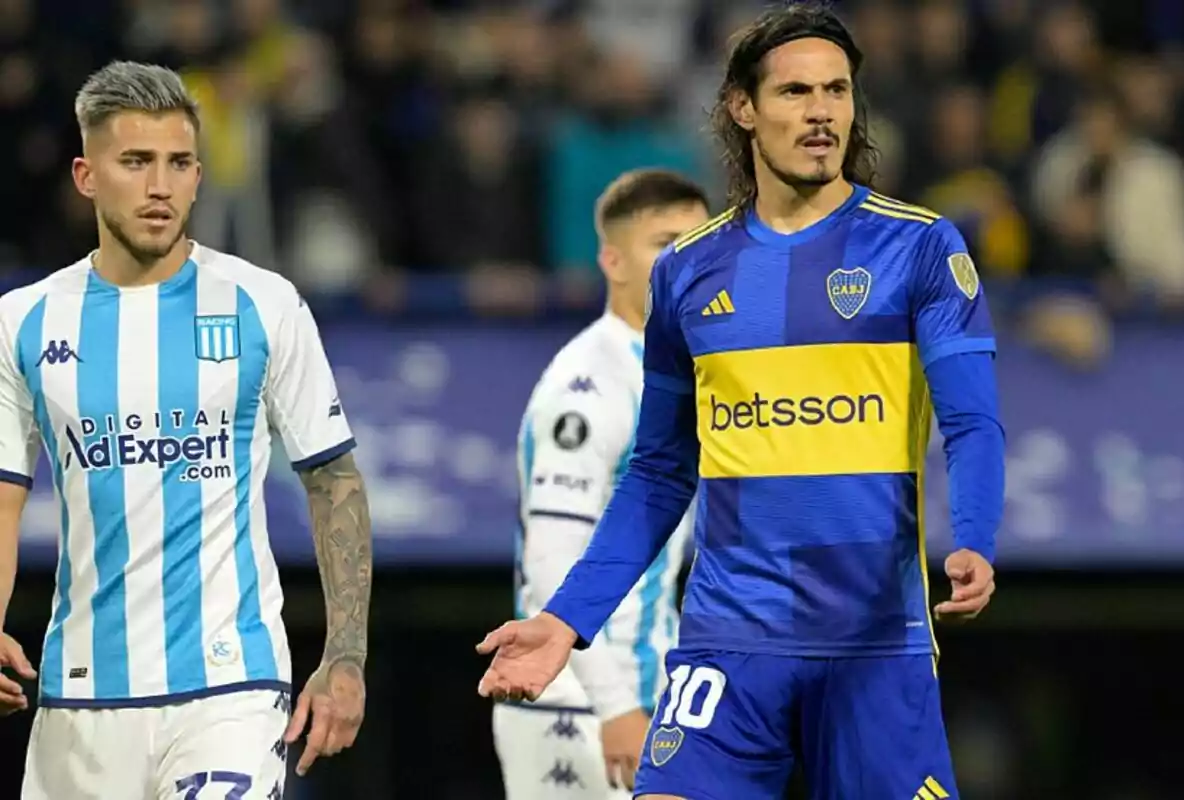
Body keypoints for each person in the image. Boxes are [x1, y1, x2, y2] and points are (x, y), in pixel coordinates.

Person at [477, 4, 1006, 799]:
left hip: (871, 644)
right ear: (743, 108)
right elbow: (659, 473)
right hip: (728, 643)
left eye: (837, 90)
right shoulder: (687, 271)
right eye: (795, 92)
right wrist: (565, 620)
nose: (822, 111)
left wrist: (974, 536)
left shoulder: (920, 247)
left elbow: (972, 422)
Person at [0, 61, 373, 799]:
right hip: (81, 698)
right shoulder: (25, 322)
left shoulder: (264, 305)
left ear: (200, 176)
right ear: (85, 175)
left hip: (230, 686)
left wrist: (346, 653)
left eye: (178, 164)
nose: (160, 185)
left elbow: (333, 480)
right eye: (135, 162)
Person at [492, 169, 710, 799]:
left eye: (696, 245)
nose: (684, 263)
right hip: (577, 703)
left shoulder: (674, 373)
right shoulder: (587, 387)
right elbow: (549, 565)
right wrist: (614, 707)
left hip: (654, 689)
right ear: (613, 260)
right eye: (665, 243)